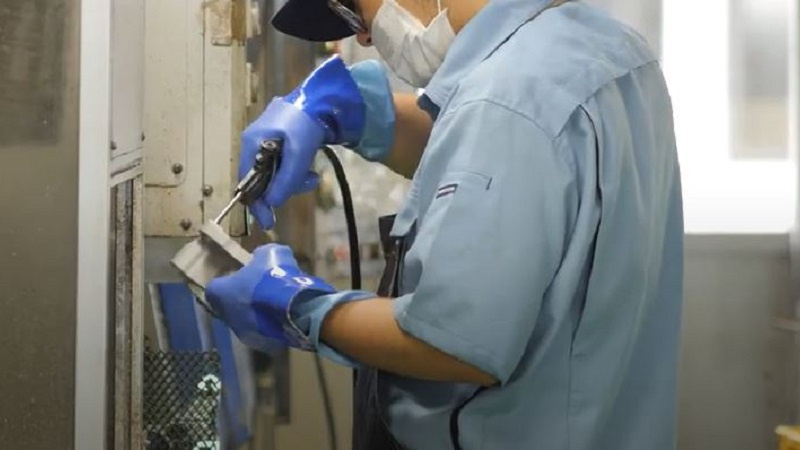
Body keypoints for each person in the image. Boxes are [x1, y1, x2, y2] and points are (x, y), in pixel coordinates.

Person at [206, 0, 684, 448]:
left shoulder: (506, 97)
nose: (365, 38)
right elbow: (518, 171)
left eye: (353, 13)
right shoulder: (614, 51)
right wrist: (358, 114)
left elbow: (451, 343)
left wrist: (298, 307)